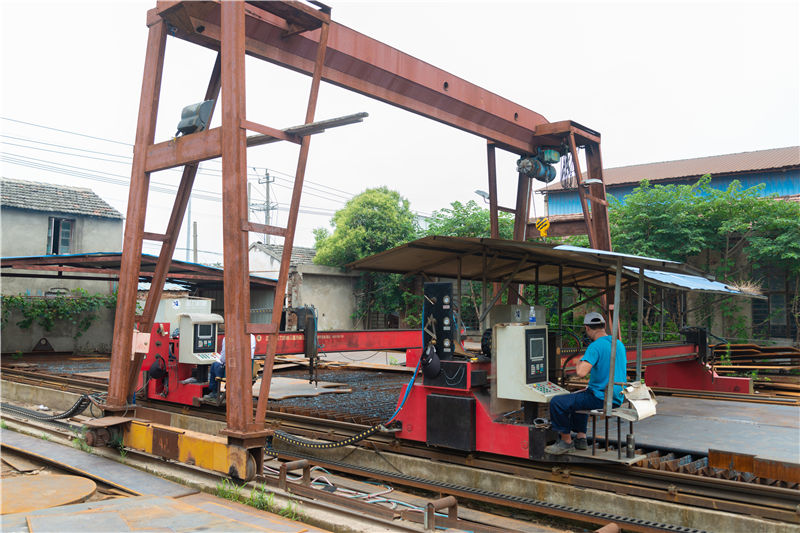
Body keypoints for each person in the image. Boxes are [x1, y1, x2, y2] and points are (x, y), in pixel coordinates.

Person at [544, 311, 627, 455]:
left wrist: (579, 361)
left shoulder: (595, 346)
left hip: (601, 398)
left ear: (587, 328)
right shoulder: (618, 343)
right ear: (604, 326)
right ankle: (581, 438)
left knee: (557, 402)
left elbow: (581, 372)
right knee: (580, 397)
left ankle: (565, 441)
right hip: (617, 396)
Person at [202, 332, 256, 401]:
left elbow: (224, 358)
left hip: (232, 371)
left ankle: (214, 392)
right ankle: (229, 390)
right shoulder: (252, 337)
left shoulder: (228, 337)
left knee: (214, 365)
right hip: (247, 371)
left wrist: (220, 359)